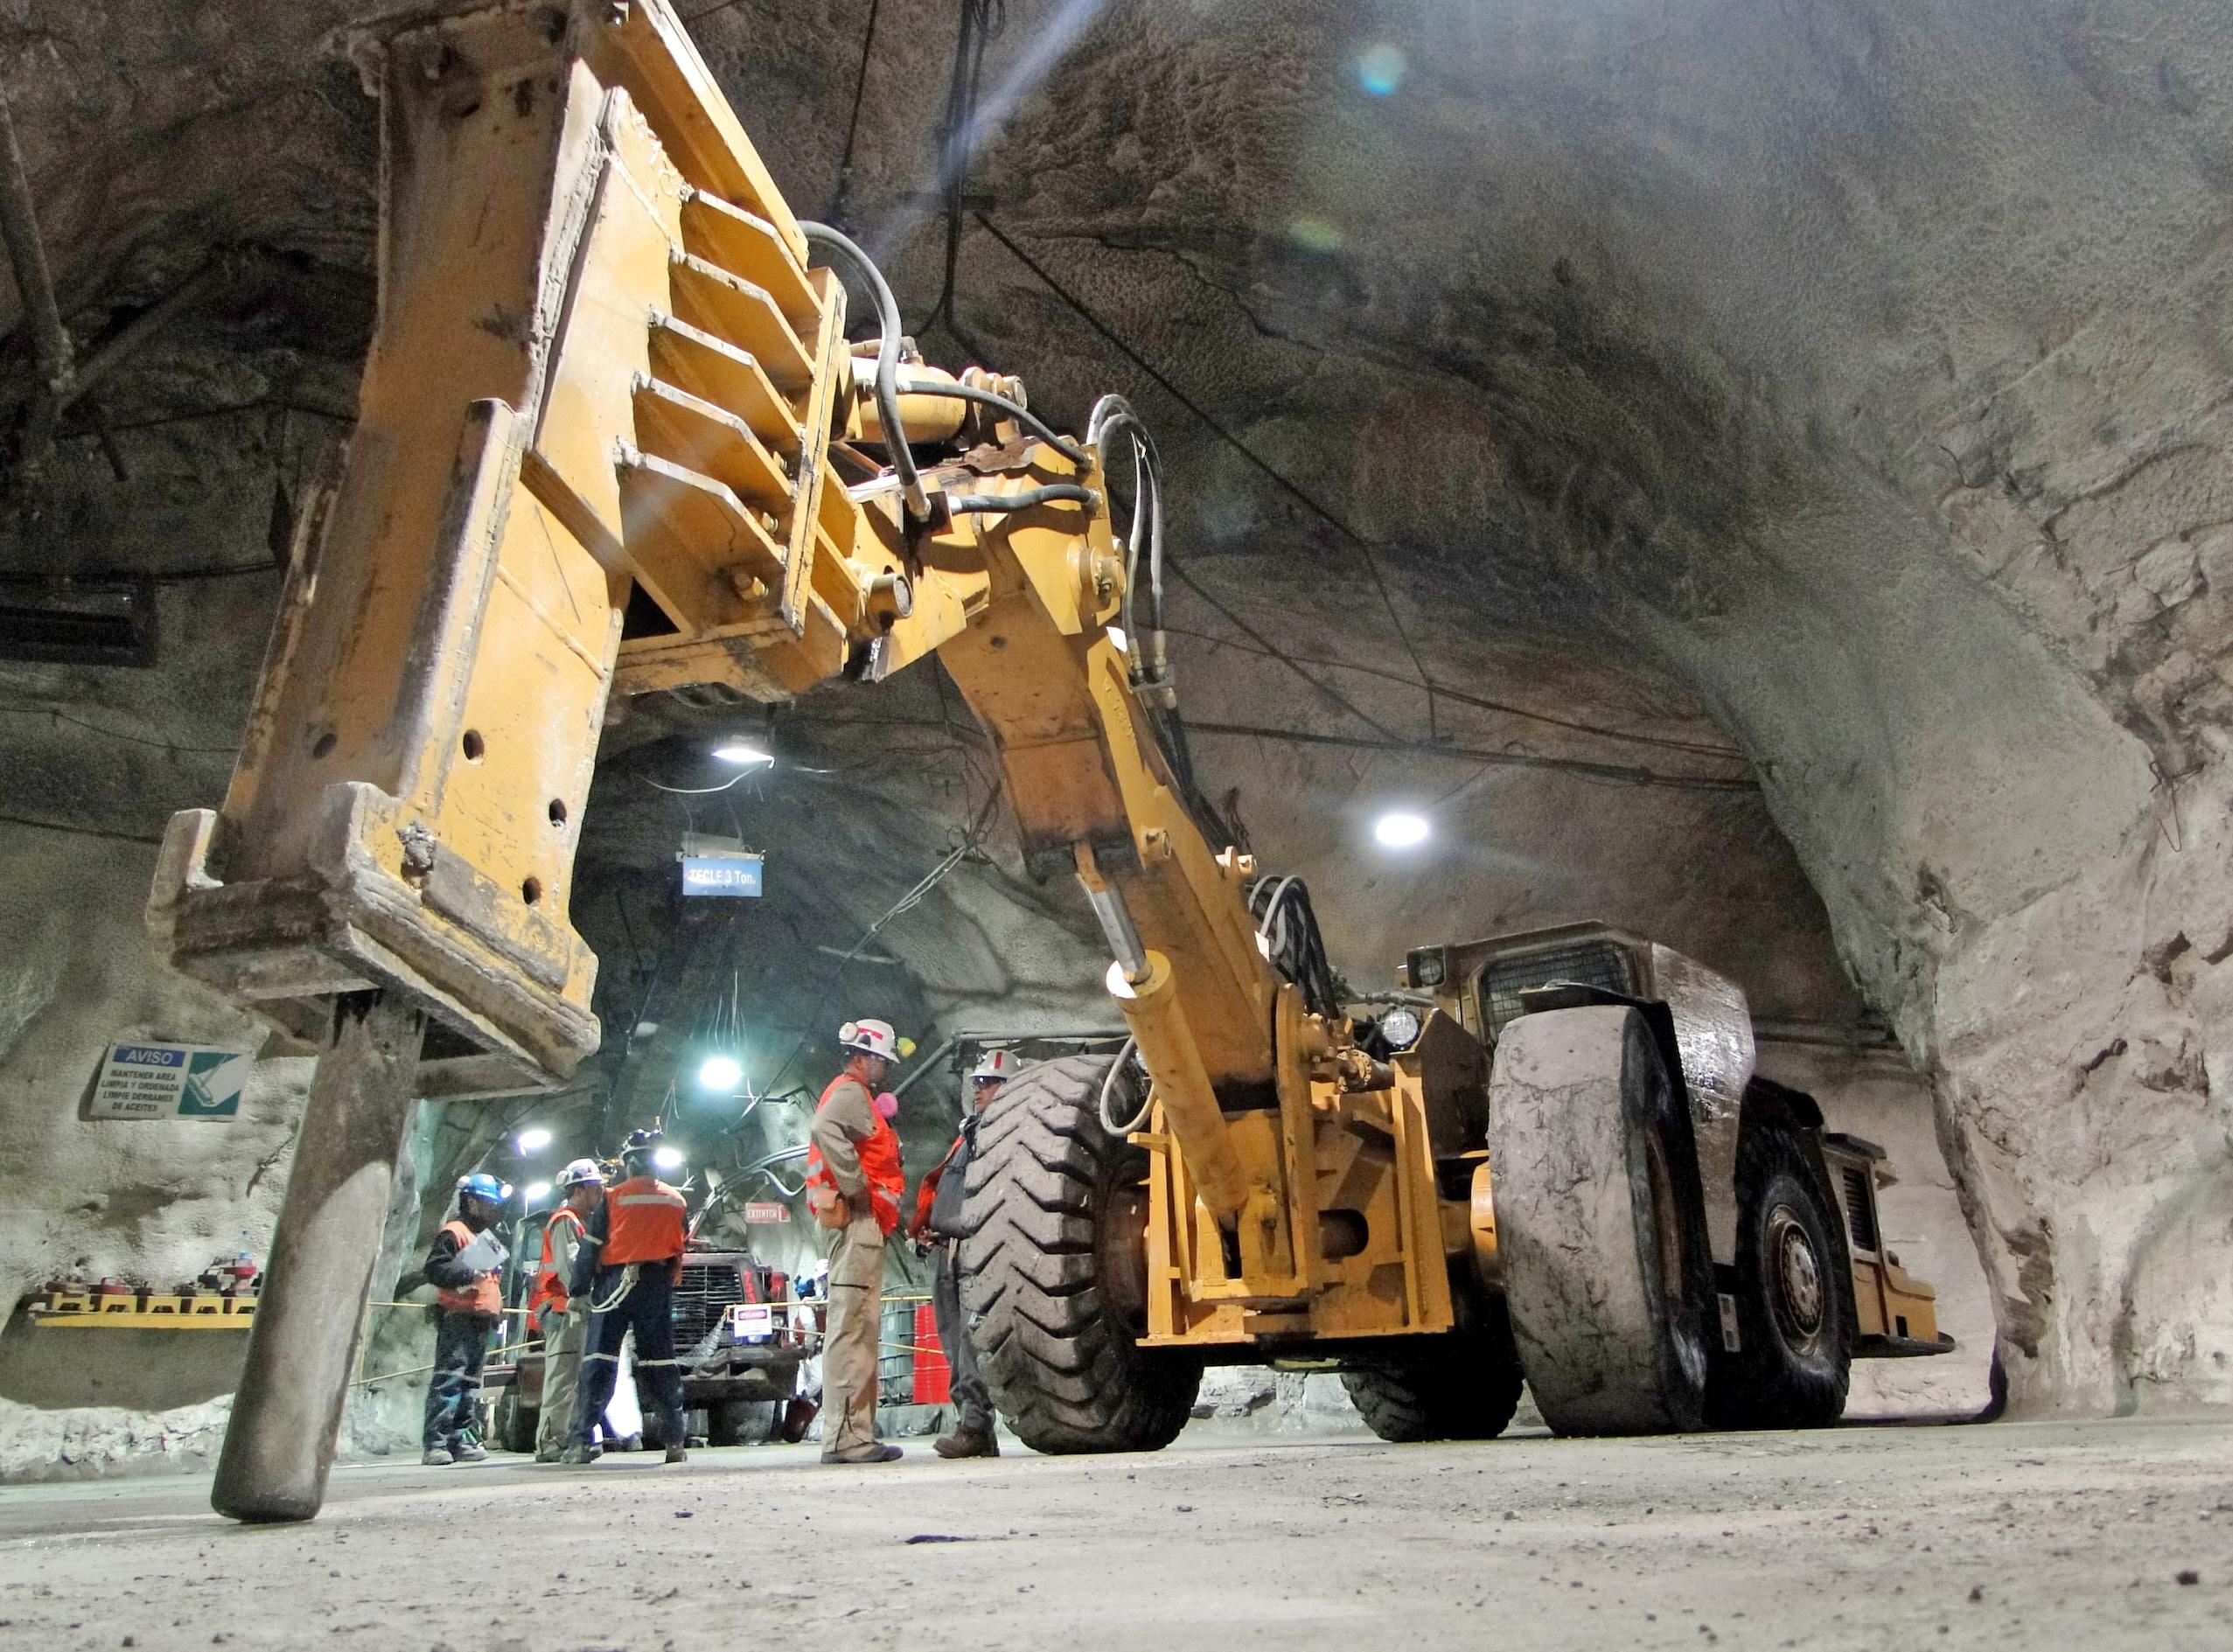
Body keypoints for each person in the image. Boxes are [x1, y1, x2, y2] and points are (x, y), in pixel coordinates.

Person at [806, 1017, 909, 1465]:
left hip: (859, 1223)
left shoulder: (850, 1092)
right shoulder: (850, 1092)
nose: (886, 1069)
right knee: (852, 1330)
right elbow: (824, 1128)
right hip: (855, 1223)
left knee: (858, 1328)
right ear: (866, 1058)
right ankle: (846, 1438)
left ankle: (853, 1432)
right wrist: (856, 1187)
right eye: (883, 1061)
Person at [559, 1129, 690, 1467]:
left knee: (599, 1362)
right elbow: (680, 1242)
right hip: (656, 1285)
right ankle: (675, 1442)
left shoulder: (613, 1197)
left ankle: (580, 1442)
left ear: (629, 1163)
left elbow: (591, 1247)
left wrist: (578, 1291)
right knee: (660, 1362)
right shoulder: (676, 1200)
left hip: (614, 1285)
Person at [908, 1048, 1011, 1459]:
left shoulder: (1008, 1136)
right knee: (953, 1341)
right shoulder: (968, 1134)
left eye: (988, 1083)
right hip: (946, 1250)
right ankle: (972, 1424)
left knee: (969, 1341)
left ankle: (974, 1424)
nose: (978, 1089)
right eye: (977, 1083)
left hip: (974, 1251)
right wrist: (927, 1229)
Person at [421, 1172, 512, 1467]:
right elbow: (435, 1269)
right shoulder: (454, 1232)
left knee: (470, 1384)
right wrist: (468, 1273)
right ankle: (436, 1443)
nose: (492, 1210)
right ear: (470, 1202)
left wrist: (495, 1310)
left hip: (480, 1320)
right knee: (450, 1379)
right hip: (458, 1319)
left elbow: (489, 1282)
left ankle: (458, 1440)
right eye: (487, 1204)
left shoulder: (484, 1239)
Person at [530, 1158, 604, 1463]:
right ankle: (551, 1443)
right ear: (579, 1190)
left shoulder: (583, 1221)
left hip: (576, 1311)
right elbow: (570, 1269)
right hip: (565, 1311)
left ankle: (572, 1438)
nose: (600, 1193)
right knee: (563, 1381)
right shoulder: (566, 1220)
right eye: (595, 1188)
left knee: (577, 1380)